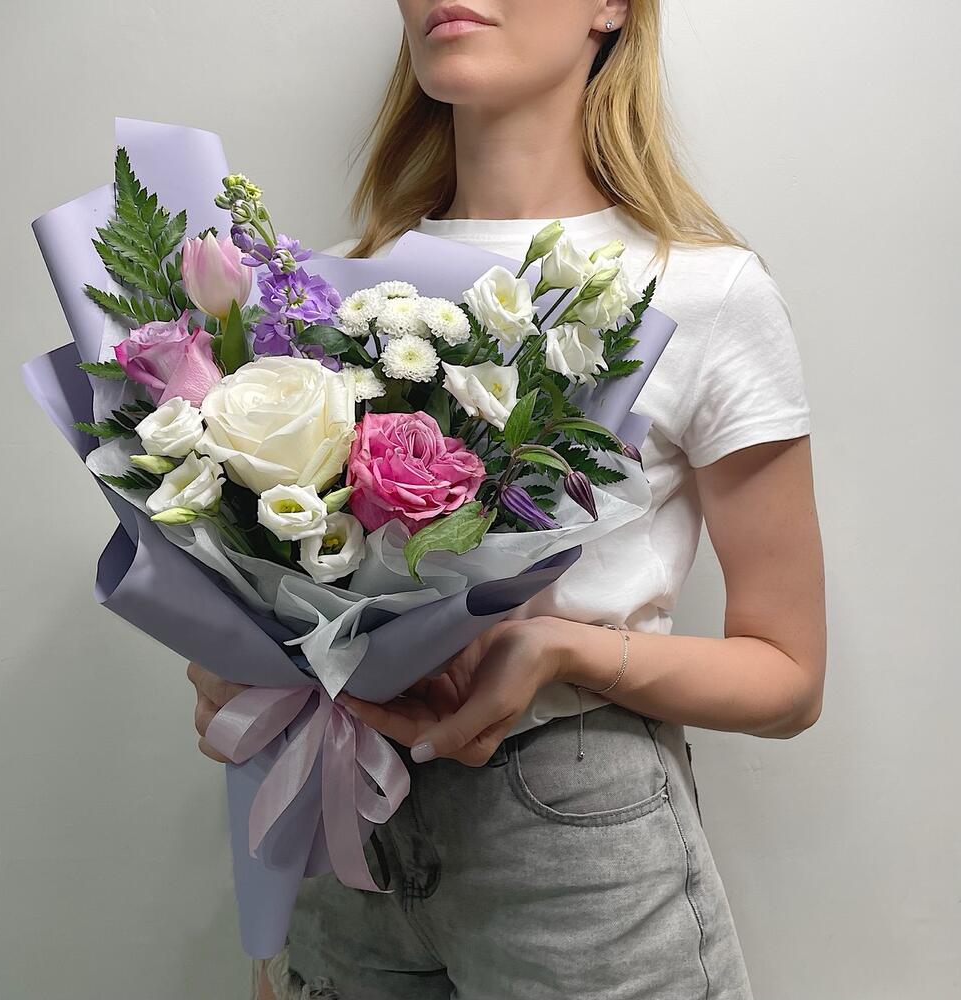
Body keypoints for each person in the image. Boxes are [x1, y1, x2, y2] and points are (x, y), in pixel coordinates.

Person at [187, 2, 827, 997]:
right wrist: (242, 673)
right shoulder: (322, 294)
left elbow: (788, 676)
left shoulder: (702, 292)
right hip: (346, 828)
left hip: (570, 842)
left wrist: (562, 650)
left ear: (610, 8)